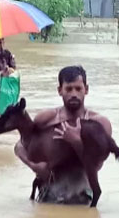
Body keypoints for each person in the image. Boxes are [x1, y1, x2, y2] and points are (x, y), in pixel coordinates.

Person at [13, 65, 113, 203]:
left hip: (82, 195)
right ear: (60, 90)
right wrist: (34, 166)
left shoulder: (99, 124)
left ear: (86, 90)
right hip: (48, 192)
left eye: (78, 89)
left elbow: (97, 165)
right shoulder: (46, 119)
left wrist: (77, 141)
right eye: (68, 88)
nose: (73, 94)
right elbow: (21, 145)